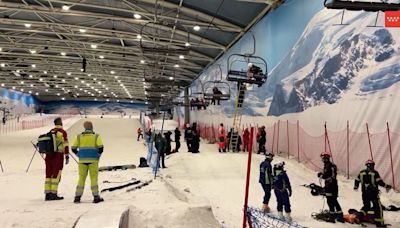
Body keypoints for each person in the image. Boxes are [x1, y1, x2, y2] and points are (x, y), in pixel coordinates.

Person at [71, 121, 104, 203]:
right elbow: (101, 148)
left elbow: (73, 148)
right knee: (93, 178)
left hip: (82, 161)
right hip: (93, 161)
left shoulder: (78, 136)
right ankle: (96, 196)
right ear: (92, 127)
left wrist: (79, 155)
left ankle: (77, 197)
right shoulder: (96, 136)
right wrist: (98, 155)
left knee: (81, 178)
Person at [354, 160, 392, 227]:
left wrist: (356, 187)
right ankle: (379, 224)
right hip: (373, 194)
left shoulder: (361, 172)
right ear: (373, 165)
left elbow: (357, 180)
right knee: (378, 208)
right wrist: (387, 186)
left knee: (366, 207)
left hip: (364, 194)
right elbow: (379, 182)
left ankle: (358, 216)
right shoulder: (375, 173)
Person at [44, 117, 69, 201]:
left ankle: (47, 194)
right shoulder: (63, 132)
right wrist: (67, 155)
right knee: (56, 174)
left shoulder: (51, 131)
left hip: (48, 156)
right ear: (60, 123)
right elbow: (65, 144)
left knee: (48, 174)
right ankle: (54, 194)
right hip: (58, 156)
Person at [318, 153, 344, 223]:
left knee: (330, 201)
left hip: (330, 186)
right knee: (334, 200)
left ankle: (332, 217)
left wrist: (321, 175)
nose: (322, 159)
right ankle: (340, 216)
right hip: (332, 185)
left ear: (326, 158)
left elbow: (327, 176)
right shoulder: (330, 165)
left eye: (323, 158)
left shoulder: (329, 166)